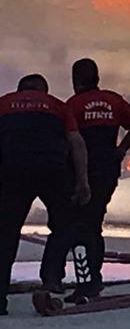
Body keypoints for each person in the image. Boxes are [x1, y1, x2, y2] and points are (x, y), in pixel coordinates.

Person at [49, 58, 130, 301]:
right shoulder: (113, 101)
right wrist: (122, 149)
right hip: (107, 170)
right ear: (97, 77)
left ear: (76, 80)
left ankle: (87, 282)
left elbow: (70, 140)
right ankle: (92, 278)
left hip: (83, 172)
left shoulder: (73, 105)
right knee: (94, 223)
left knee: (79, 226)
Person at [0, 74, 89, 315]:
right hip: (52, 170)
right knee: (63, 225)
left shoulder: (3, 103)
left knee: (5, 233)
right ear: (44, 90)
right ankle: (51, 278)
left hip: (11, 171)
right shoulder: (57, 106)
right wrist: (82, 182)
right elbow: (76, 142)